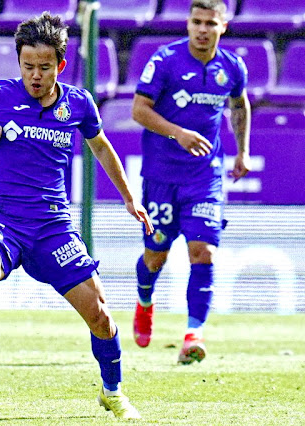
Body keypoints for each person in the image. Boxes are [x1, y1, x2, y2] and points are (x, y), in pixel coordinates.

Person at [0, 12, 153, 420]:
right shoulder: (0, 95)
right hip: (5, 221)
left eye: (43, 67)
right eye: (27, 67)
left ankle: (112, 391)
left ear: (59, 65)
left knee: (101, 316)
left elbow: (102, 149)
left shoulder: (78, 103)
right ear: (18, 63)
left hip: (54, 229)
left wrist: (131, 199)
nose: (35, 75)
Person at [130, 0, 251, 364]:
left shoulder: (232, 67)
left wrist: (242, 151)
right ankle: (144, 300)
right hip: (162, 175)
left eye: (210, 23)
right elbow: (139, 109)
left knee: (203, 251)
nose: (202, 29)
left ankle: (193, 335)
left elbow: (240, 105)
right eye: (196, 21)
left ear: (223, 27)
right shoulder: (166, 60)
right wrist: (178, 133)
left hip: (205, 176)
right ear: (187, 24)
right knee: (156, 256)